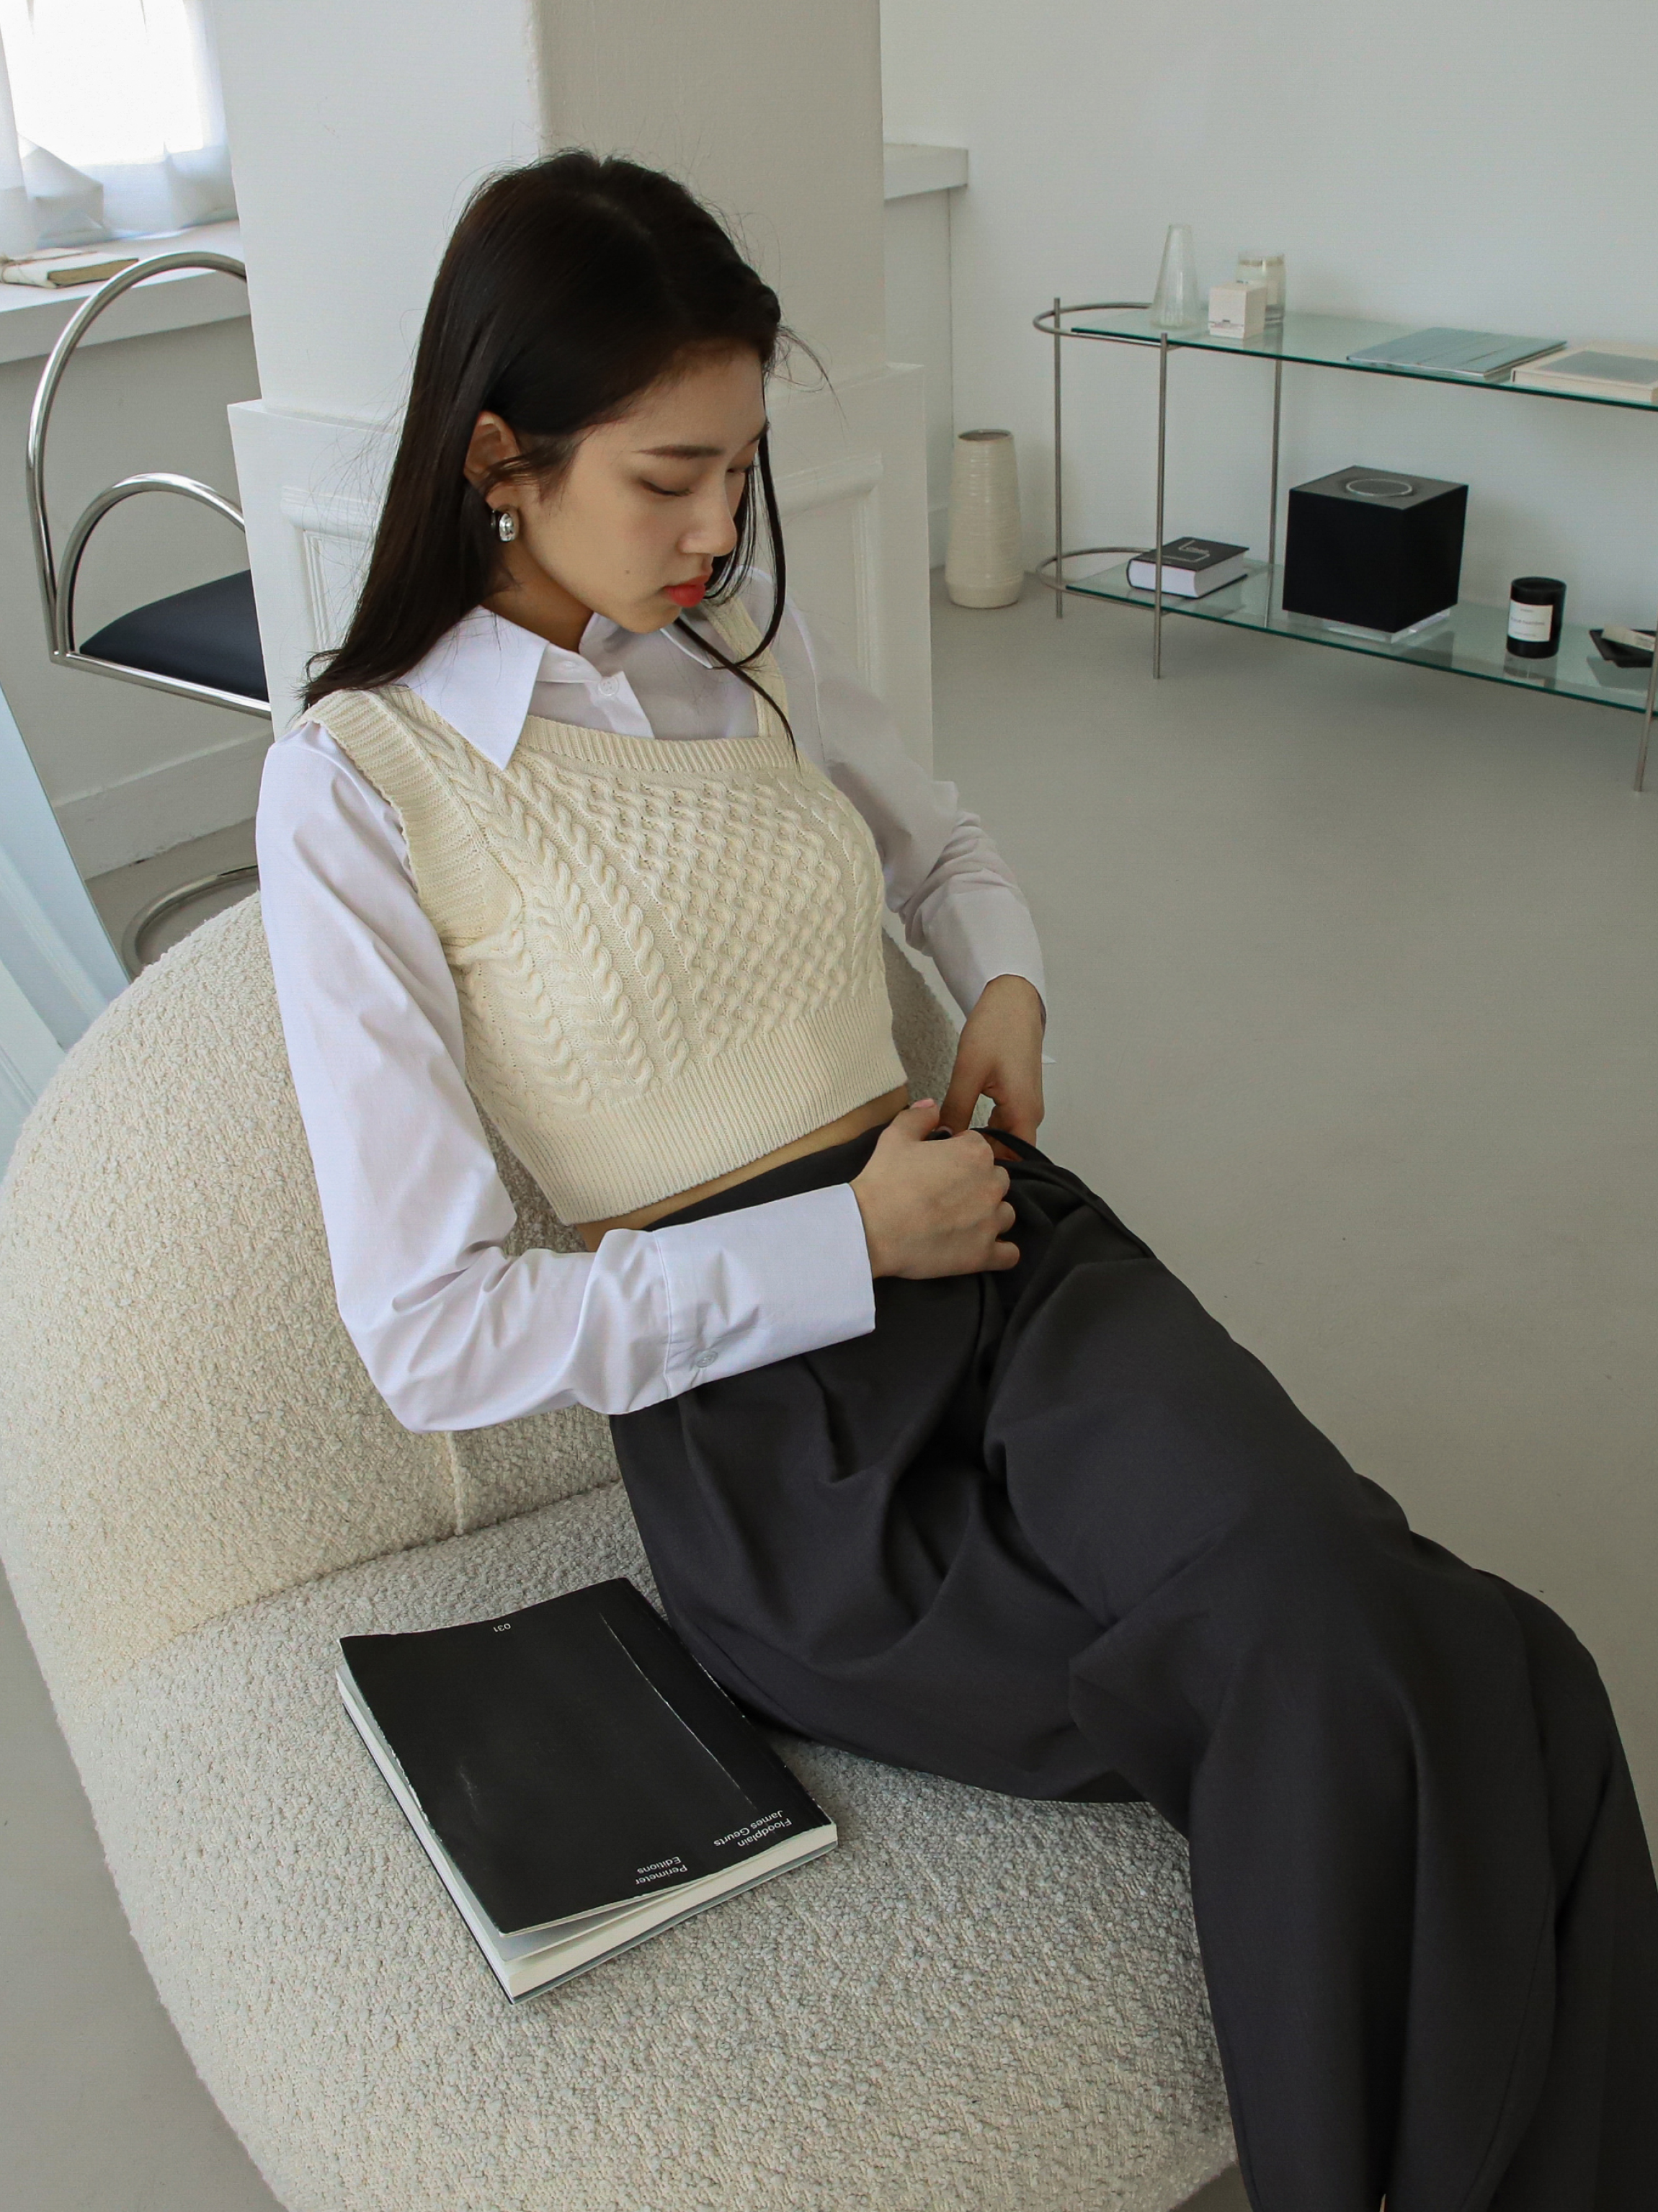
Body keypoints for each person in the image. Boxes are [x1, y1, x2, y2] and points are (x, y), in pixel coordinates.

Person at [255, 152, 1657, 2212]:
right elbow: (430, 1335)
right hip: (781, 1444)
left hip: (1000, 1251)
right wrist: (840, 1242)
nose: (721, 529)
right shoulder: (360, 784)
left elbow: (938, 838)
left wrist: (1000, 985)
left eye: (739, 466)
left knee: (1416, 1632)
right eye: (670, 476)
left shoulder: (729, 654)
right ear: (497, 456)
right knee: (1407, 1666)